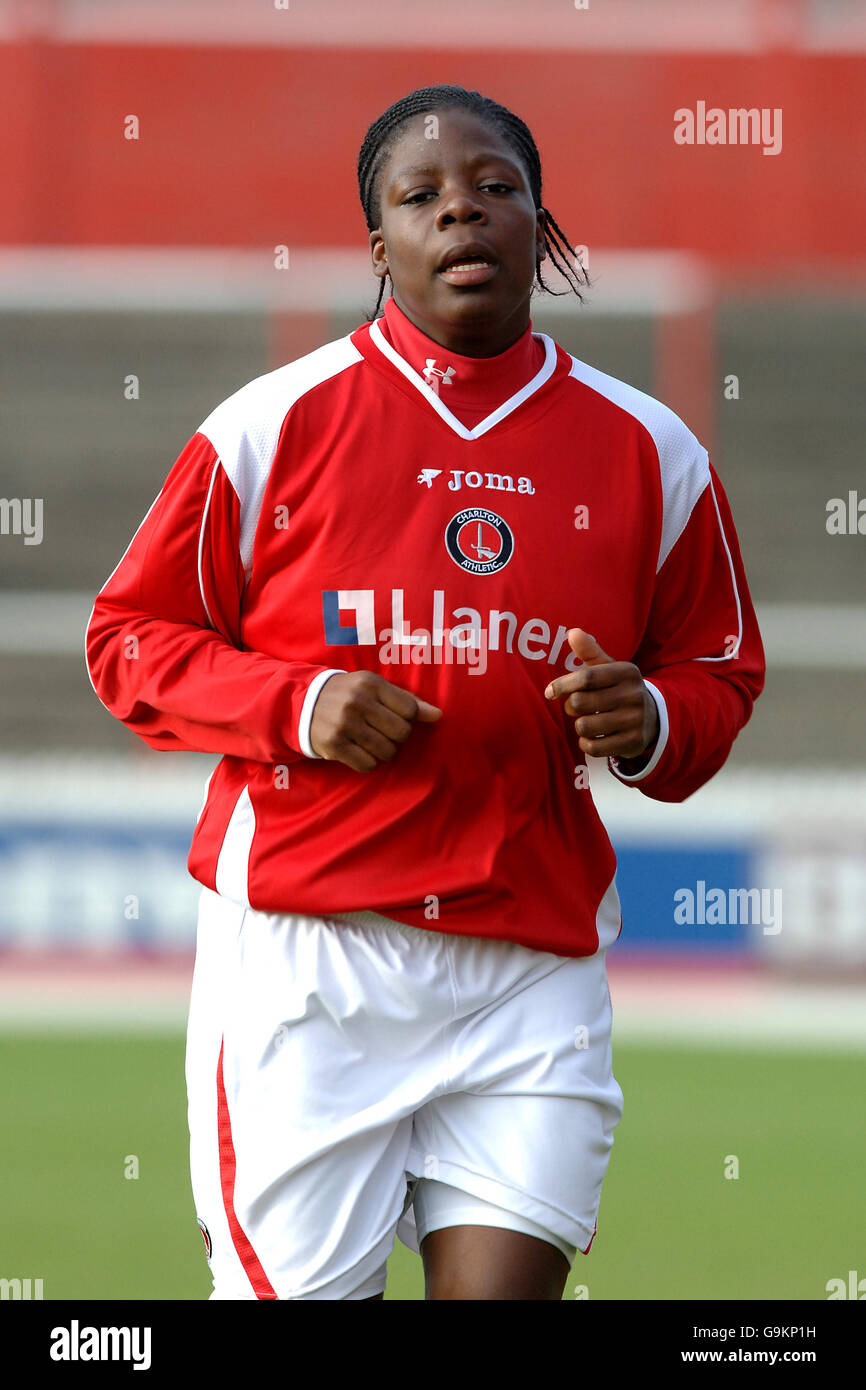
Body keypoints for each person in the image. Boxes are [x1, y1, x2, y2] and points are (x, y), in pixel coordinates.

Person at [85, 84, 765, 1301]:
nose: (463, 212)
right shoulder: (271, 426)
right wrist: (297, 705)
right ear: (378, 244)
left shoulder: (648, 450)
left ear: (539, 220)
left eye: (495, 187)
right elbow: (126, 639)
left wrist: (650, 717)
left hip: (528, 966)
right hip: (310, 965)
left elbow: (717, 678)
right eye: (422, 196)